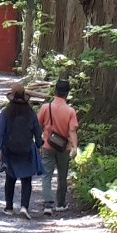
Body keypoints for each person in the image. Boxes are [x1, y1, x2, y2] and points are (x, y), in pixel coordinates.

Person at [0, 83, 42, 219]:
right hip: (27, 148)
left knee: (10, 177)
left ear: (12, 96)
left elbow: (1, 132)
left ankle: (9, 207)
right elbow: (37, 131)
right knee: (27, 179)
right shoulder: (30, 112)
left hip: (9, 149)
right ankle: (24, 206)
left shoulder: (6, 112)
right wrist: (39, 145)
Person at [38, 77, 79, 213]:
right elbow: (72, 130)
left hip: (48, 145)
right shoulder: (70, 111)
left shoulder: (45, 107)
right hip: (64, 147)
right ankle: (60, 204)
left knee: (46, 175)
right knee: (62, 175)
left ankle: (48, 204)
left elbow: (38, 125)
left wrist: (38, 141)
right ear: (67, 93)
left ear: (55, 91)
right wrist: (74, 147)